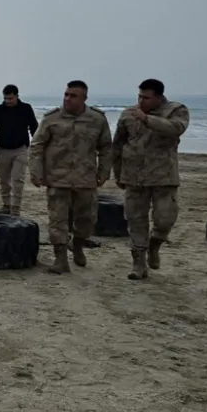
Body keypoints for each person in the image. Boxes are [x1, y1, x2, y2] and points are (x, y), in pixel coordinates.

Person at [29, 80, 112, 274]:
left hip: (85, 178)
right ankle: (60, 259)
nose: (67, 99)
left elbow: (106, 147)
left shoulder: (97, 119)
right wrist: (36, 171)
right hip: (58, 177)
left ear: (84, 98)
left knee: (86, 219)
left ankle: (78, 244)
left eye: (73, 96)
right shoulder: (51, 118)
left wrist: (104, 171)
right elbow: (37, 146)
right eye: (66, 94)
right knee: (58, 219)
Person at [112, 79, 190, 280]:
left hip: (164, 177)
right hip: (134, 177)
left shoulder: (176, 111)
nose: (141, 101)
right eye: (139, 96)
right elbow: (118, 145)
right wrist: (118, 173)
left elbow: (176, 128)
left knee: (165, 219)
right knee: (135, 220)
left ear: (159, 97)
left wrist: (147, 119)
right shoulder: (128, 114)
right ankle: (139, 263)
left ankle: (155, 244)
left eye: (146, 98)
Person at [0, 84, 39, 216]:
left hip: (21, 149)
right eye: (5, 98)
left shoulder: (26, 108)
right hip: (3, 150)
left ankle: (15, 209)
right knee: (4, 180)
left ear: (17, 96)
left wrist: (37, 146)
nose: (7, 101)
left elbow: (34, 128)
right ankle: (6, 205)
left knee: (18, 180)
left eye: (10, 98)